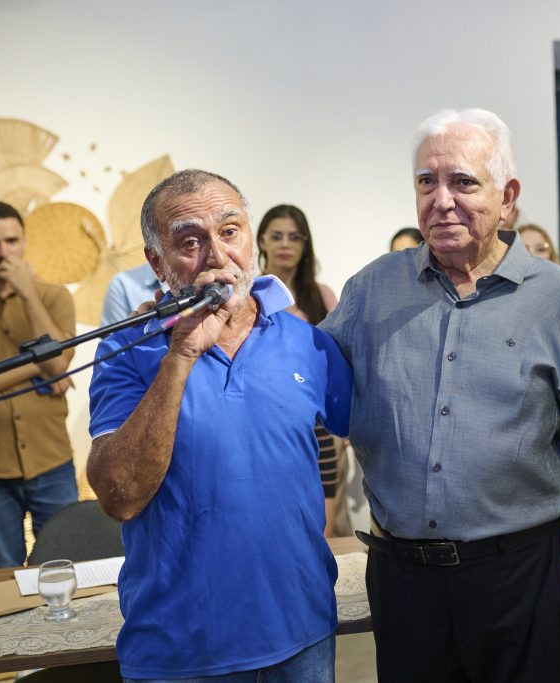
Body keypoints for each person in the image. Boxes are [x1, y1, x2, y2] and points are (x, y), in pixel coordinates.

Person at [320, 108, 560, 682]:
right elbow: (303, 379)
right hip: (404, 584)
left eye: (463, 181)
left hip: (520, 579)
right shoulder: (373, 289)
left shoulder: (558, 299)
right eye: (426, 182)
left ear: (507, 196)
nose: (441, 200)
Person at [86, 170, 352, 681]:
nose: (216, 253)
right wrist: (181, 354)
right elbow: (119, 496)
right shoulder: (128, 350)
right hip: (180, 650)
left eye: (230, 231)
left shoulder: (306, 340)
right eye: (190, 241)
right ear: (156, 262)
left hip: (303, 634)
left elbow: (377, 433)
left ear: (250, 239)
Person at [0, 201, 77, 569]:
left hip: (51, 459)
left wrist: (27, 294)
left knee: (67, 567)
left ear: (24, 242)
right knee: (3, 575)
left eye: (11, 240)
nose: (1, 252)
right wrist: (34, 369)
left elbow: (58, 362)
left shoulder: (53, 297)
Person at [256, 204, 342, 536]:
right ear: (262, 241)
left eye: (294, 237)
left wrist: (340, 431)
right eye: (276, 236)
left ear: (305, 244)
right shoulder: (250, 296)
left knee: (324, 535)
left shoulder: (322, 297)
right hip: (266, 430)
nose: (285, 244)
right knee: (273, 532)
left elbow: (336, 366)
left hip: (318, 428)